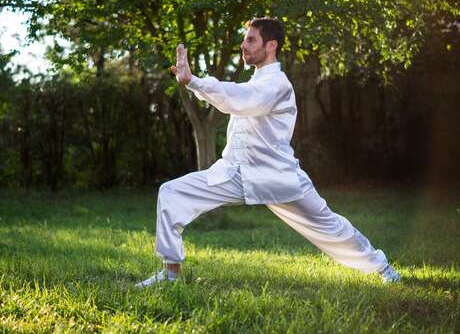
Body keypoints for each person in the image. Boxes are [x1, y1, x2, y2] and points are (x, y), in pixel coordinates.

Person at [135, 17, 401, 288]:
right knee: (172, 192)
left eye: (251, 40)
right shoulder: (256, 81)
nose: (243, 46)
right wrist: (193, 84)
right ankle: (170, 274)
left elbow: (240, 99)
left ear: (271, 45)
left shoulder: (277, 84)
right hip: (235, 173)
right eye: (244, 39)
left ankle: (382, 267)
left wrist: (194, 81)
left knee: (328, 225)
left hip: (278, 176)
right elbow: (234, 98)